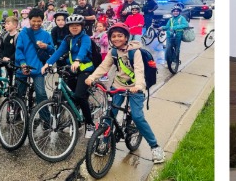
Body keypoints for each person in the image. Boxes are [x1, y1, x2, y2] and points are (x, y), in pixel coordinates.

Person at [86, 21, 166, 163]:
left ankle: (155, 147)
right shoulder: (114, 52)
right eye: (114, 36)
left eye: (120, 36)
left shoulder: (135, 52)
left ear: (126, 37)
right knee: (109, 115)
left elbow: (139, 70)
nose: (117, 39)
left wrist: (140, 85)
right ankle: (105, 141)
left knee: (137, 117)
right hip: (118, 86)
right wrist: (92, 77)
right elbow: (104, 67)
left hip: (135, 87)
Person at [41, 13, 97, 130]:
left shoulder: (85, 38)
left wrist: (77, 60)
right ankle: (76, 117)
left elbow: (83, 50)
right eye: (72, 25)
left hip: (85, 70)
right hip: (73, 69)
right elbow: (58, 52)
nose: (74, 27)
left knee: (79, 96)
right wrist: (48, 64)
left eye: (77, 25)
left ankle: (90, 123)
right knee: (71, 96)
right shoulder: (68, 39)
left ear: (82, 26)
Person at [15, 7, 54, 115]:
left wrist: (46, 46)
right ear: (29, 20)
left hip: (38, 69)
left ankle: (46, 119)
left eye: (39, 21)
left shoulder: (46, 35)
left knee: (41, 94)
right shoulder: (23, 33)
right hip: (23, 67)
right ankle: (16, 114)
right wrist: (22, 63)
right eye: (33, 21)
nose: (36, 23)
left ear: (42, 20)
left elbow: (53, 51)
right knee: (19, 93)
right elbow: (19, 50)